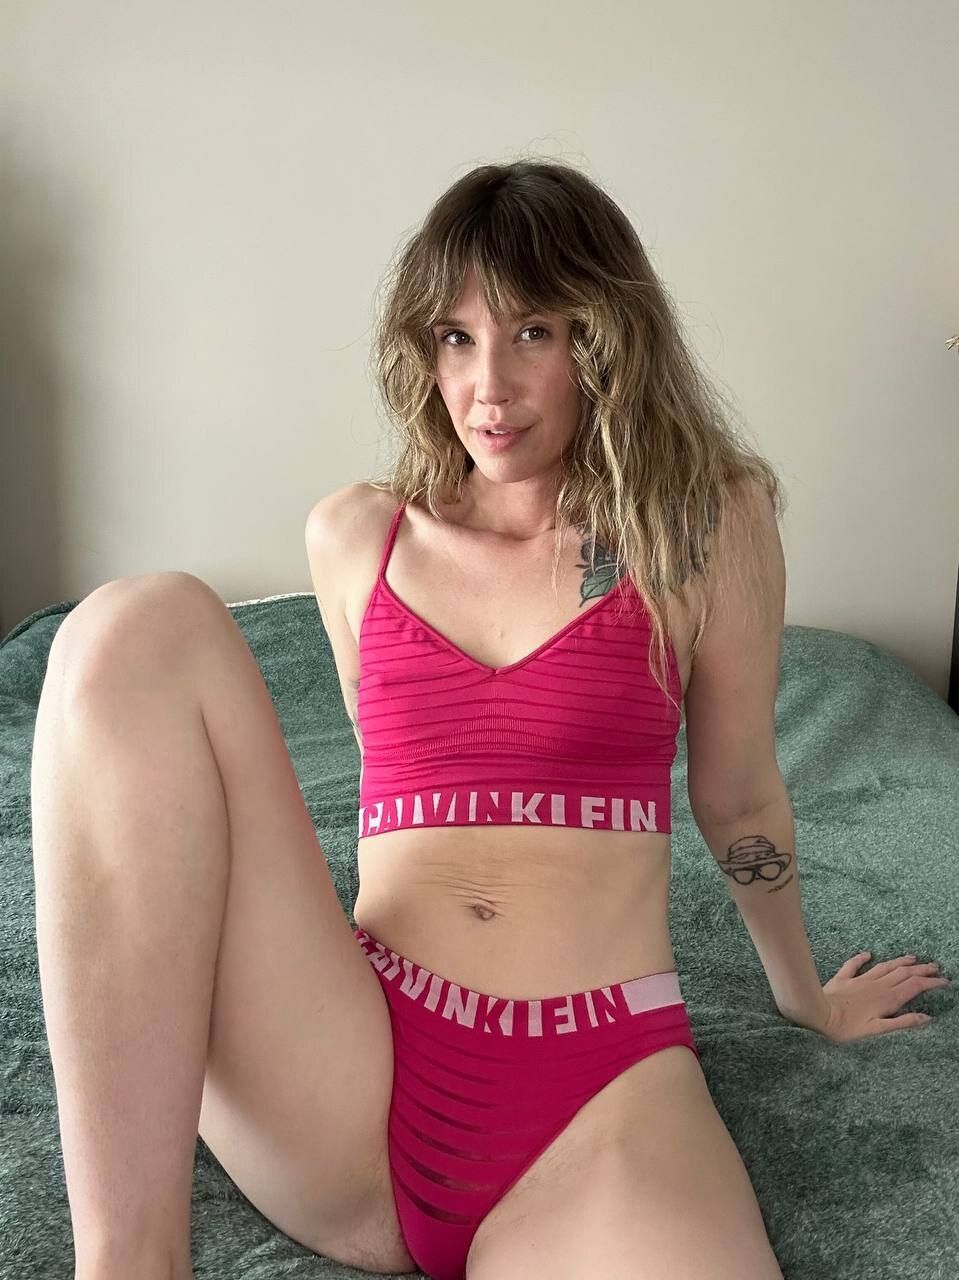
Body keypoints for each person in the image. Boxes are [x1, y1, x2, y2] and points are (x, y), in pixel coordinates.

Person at [31, 159, 787, 1280]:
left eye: (532, 332)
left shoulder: (705, 523)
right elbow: (396, 775)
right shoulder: (354, 534)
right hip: (353, 1057)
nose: (488, 386)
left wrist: (800, 992)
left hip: (598, 1092)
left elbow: (738, 793)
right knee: (131, 625)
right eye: (454, 338)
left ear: (604, 339)